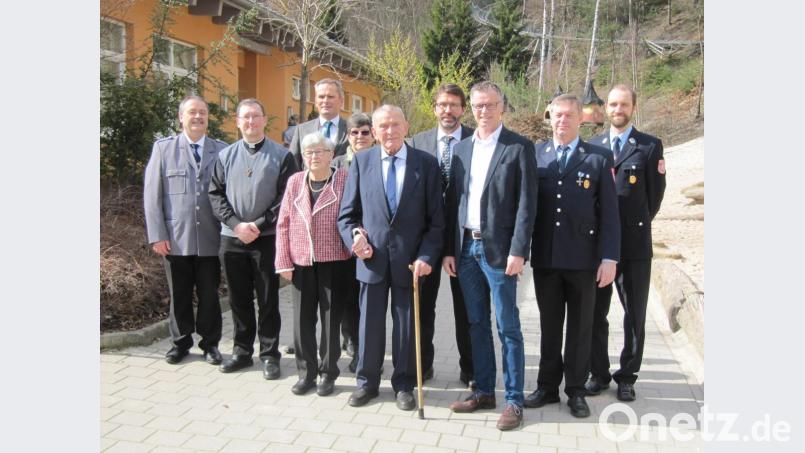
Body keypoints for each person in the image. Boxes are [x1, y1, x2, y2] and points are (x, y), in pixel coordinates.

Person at [443, 81, 538, 431]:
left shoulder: (518, 148)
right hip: (467, 248)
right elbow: (455, 202)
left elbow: (527, 205)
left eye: (490, 105)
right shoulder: (462, 149)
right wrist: (451, 251)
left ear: (502, 107)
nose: (483, 111)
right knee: (476, 324)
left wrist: (519, 250)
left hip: (500, 252)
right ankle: (484, 390)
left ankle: (514, 400)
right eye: (478, 105)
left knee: (508, 327)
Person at [337, 105, 444, 411]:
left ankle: (404, 384)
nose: (389, 131)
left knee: (406, 327)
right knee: (369, 326)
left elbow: (436, 222)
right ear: (374, 130)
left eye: (395, 124)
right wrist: (355, 239)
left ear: (406, 126)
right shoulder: (361, 161)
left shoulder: (426, 165)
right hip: (371, 261)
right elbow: (347, 216)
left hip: (410, 264)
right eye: (382, 126)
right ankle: (366, 382)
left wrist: (426, 256)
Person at [525, 94, 620, 419]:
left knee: (580, 328)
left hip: (583, 260)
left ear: (581, 118)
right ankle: (547, 387)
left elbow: (610, 213)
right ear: (549, 118)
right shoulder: (536, 154)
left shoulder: (598, 157)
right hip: (547, 257)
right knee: (549, 326)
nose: (561, 121)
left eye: (568, 115)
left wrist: (609, 257)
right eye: (556, 115)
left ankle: (576, 391)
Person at [585, 84, 667, 402]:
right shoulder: (594, 145)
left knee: (634, 314)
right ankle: (599, 373)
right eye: (613, 104)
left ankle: (627, 375)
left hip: (634, 247)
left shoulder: (649, 146)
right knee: (595, 313)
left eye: (624, 104)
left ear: (633, 107)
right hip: (600, 247)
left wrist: (633, 225)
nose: (618, 110)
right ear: (606, 108)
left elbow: (655, 197)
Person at [208, 98, 299, 378]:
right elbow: (215, 194)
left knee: (268, 298)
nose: (250, 122)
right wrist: (236, 225)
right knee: (239, 299)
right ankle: (242, 351)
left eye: (255, 117)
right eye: (245, 117)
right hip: (232, 238)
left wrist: (258, 225)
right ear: (238, 122)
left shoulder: (282, 156)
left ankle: (270, 354)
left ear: (264, 120)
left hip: (267, 238)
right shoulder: (225, 156)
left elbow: (287, 197)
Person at [144, 95, 228, 365]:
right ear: (181, 117)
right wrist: (157, 234)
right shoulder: (164, 149)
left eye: (203, 112)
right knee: (179, 294)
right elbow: (152, 195)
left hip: (211, 238)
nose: (198, 117)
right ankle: (180, 343)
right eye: (192, 112)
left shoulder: (221, 150)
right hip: (176, 239)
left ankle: (210, 344)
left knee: (209, 294)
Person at [408, 83, 476, 388]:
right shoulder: (418, 142)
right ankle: (423, 365)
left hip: (466, 239)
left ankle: (471, 369)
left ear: (463, 109)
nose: (448, 110)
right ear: (434, 108)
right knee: (423, 307)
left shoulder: (478, 139)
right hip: (426, 240)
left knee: (468, 308)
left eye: (454, 105)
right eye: (442, 105)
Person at [275, 132, 351, 396]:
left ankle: (328, 373)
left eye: (320, 151)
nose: (314, 156)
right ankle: (306, 373)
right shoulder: (295, 181)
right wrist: (283, 260)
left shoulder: (343, 179)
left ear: (331, 155)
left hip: (335, 260)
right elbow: (283, 222)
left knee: (331, 321)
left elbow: (353, 216)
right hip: (302, 261)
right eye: (309, 152)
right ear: (303, 156)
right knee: (302, 320)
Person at [332, 112, 375, 374]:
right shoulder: (336, 162)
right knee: (347, 299)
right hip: (342, 241)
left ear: (373, 134)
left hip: (371, 243)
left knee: (366, 302)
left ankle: (365, 351)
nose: (360, 137)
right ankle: (352, 344)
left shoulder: (380, 159)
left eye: (365, 132)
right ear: (348, 136)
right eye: (354, 133)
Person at [288, 79, 349, 168]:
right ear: (316, 102)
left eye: (330, 97)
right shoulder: (301, 130)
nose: (325, 101)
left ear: (341, 101)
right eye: (321, 97)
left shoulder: (353, 130)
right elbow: (293, 163)